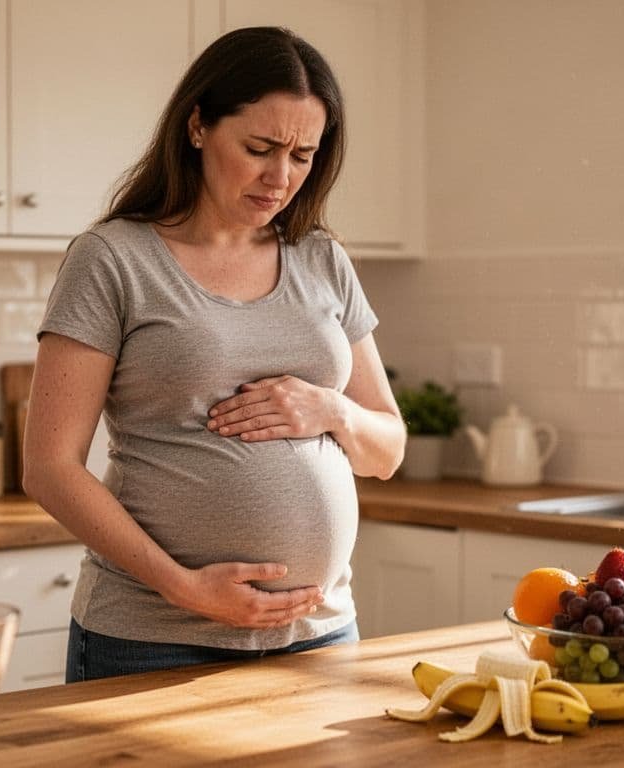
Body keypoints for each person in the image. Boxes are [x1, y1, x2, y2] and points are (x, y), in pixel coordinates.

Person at [22, 26, 405, 682]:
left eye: (303, 156)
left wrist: (331, 410)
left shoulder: (321, 259)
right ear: (198, 126)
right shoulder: (114, 259)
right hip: (154, 633)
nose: (280, 177)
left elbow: (389, 449)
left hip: (320, 631)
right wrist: (184, 588)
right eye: (259, 148)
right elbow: (49, 468)